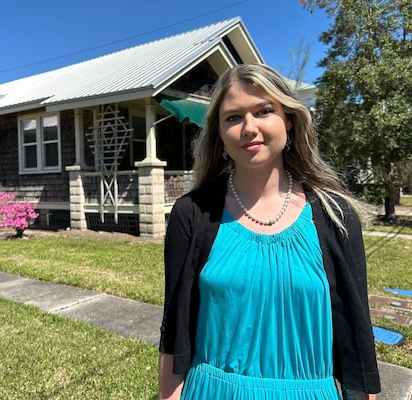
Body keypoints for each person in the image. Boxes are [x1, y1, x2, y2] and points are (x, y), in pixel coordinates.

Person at [158, 63, 380, 400]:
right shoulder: (191, 214)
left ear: (288, 120)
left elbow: (357, 337)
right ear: (218, 132)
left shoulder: (336, 217)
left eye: (264, 111)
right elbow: (175, 331)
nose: (249, 127)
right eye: (233, 117)